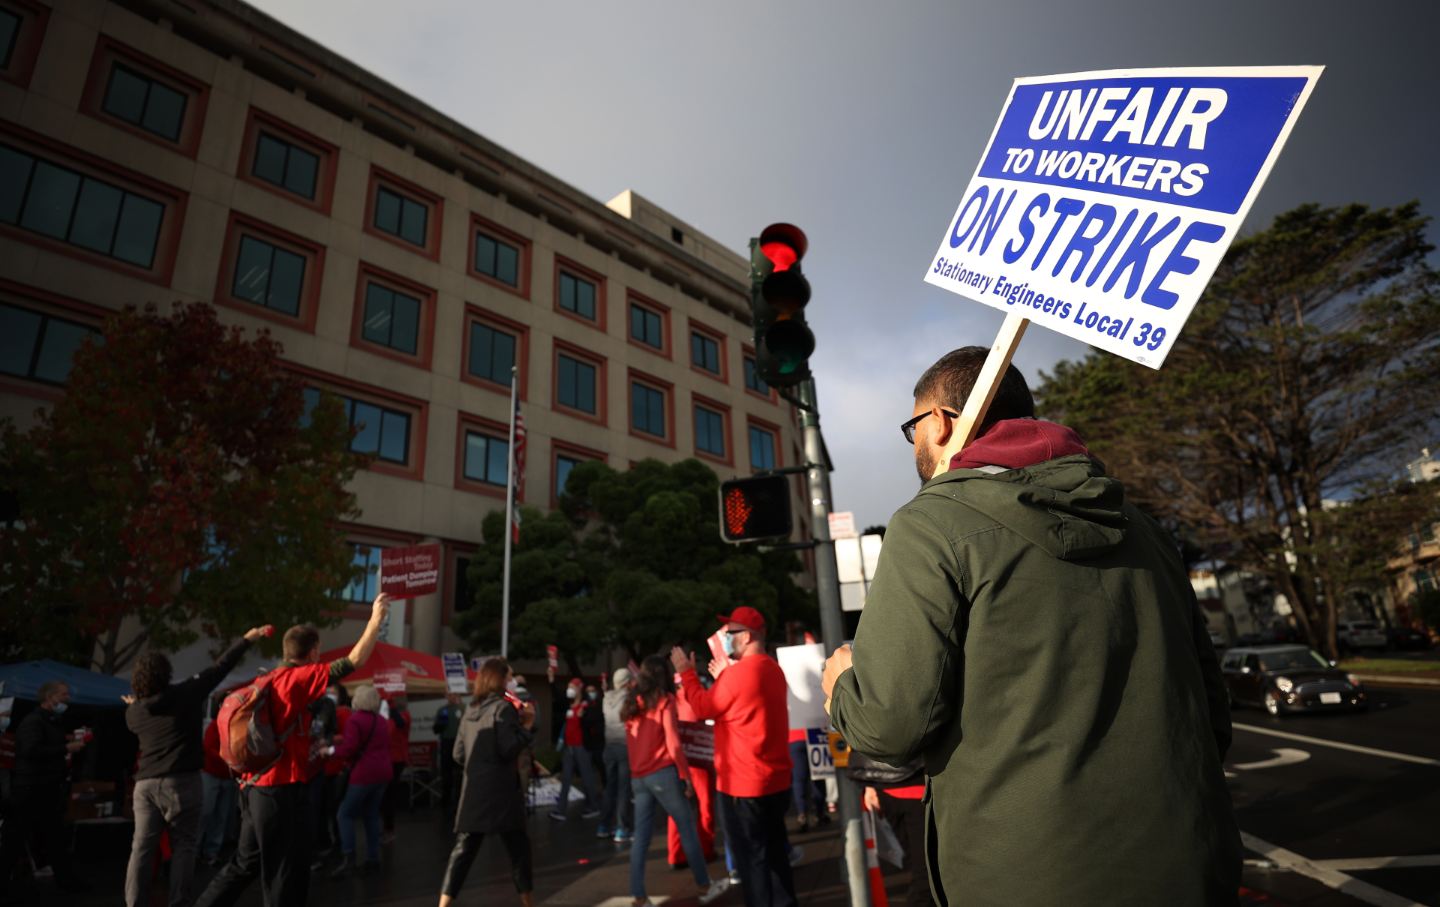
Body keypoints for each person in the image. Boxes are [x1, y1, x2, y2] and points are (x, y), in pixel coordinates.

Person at [822, 347, 1241, 906]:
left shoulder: (931, 524)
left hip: (1022, 876)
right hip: (1190, 861)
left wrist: (842, 686)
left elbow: (890, 728)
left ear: (943, 423)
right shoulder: (1145, 528)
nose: (915, 442)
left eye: (913, 427)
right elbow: (1212, 716)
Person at [194, 591, 391, 907]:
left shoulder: (271, 677)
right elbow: (354, 661)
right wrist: (376, 619)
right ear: (313, 652)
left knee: (246, 864)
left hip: (254, 785)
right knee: (285, 871)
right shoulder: (297, 679)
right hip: (279, 789)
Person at [122, 626, 269, 907]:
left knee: (141, 849)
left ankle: (134, 903)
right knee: (184, 846)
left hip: (145, 785)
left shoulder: (134, 712)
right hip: (182, 781)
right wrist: (246, 639)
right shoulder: (185, 694)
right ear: (166, 673)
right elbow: (220, 667)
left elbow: (137, 712)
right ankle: (179, 902)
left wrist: (133, 703)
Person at [670, 606, 795, 907]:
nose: (725, 638)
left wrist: (686, 672)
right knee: (777, 856)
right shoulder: (772, 670)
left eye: (730, 633)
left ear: (748, 636)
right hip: (775, 781)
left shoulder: (738, 675)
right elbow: (743, 706)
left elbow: (702, 707)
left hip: (743, 786)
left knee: (753, 863)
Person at [622, 656, 729, 907]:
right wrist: (686, 776)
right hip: (663, 773)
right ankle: (704, 885)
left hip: (639, 777)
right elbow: (673, 743)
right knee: (688, 829)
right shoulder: (664, 700)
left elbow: (631, 743)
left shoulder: (631, 703)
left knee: (641, 838)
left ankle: (639, 896)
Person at [439, 657, 535, 907]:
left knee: (463, 851)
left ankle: (443, 903)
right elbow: (507, 749)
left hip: (473, 791)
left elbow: (457, 754)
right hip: (502, 792)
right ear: (500, 679)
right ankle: (527, 902)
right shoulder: (503, 709)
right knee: (518, 850)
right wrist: (527, 727)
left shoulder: (471, 708)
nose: (511, 681)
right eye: (509, 677)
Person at [0, 680, 90, 899]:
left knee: (55, 838)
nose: (67, 699)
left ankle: (66, 880)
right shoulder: (33, 721)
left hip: (46, 789)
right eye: (63, 694)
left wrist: (67, 741)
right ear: (50, 697)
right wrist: (65, 747)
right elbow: (31, 750)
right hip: (30, 789)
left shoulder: (50, 722)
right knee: (15, 839)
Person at [326, 684, 391, 876]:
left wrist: (328, 750)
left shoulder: (355, 720)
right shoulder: (381, 720)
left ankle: (349, 858)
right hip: (383, 774)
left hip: (363, 774)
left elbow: (349, 750)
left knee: (344, 814)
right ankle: (373, 858)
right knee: (371, 815)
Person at [548, 672, 600, 821]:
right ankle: (560, 810)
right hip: (569, 747)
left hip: (582, 747)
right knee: (566, 778)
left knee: (587, 777)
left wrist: (585, 716)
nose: (569, 689)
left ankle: (593, 805)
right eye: (568, 687)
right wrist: (552, 681)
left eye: (572, 687)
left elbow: (593, 720)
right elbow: (557, 697)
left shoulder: (586, 705)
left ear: (578, 689)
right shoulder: (569, 705)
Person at [597, 667, 633, 842]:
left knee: (610, 788)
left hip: (609, 747)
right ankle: (622, 828)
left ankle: (604, 825)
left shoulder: (606, 698)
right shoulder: (629, 699)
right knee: (624, 789)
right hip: (624, 747)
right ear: (627, 683)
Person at [199, 710, 236, 865]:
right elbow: (208, 747)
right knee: (205, 812)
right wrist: (229, 760)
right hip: (212, 774)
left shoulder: (235, 727)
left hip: (227, 776)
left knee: (221, 815)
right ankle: (195, 849)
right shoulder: (215, 726)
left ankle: (211, 851)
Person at [381, 694, 410, 842]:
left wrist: (389, 705)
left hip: (396, 759)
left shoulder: (404, 716)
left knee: (388, 795)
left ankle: (389, 829)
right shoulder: (388, 718)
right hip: (387, 759)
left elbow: (400, 723)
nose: (401, 701)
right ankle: (386, 828)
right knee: (385, 795)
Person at [433, 693, 463, 814]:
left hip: (460, 742)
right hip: (447, 742)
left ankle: (459, 799)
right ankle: (446, 800)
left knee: (459, 773)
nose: (451, 697)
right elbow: (436, 729)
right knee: (447, 772)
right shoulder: (442, 710)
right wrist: (441, 723)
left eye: (453, 695)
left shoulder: (463, 709)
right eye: (449, 695)